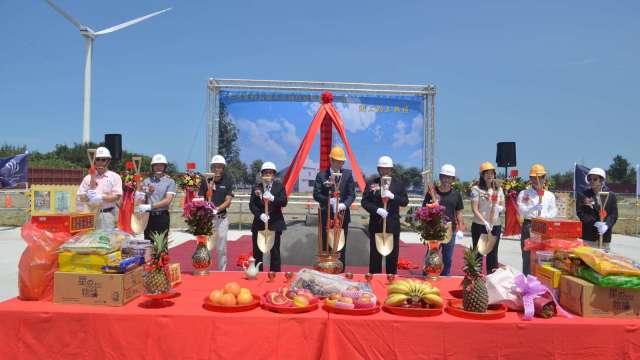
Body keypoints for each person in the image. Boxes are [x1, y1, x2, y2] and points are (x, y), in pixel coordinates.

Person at [361, 155, 408, 274]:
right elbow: (364, 202)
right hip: (376, 225)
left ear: (391, 170)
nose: (385, 171)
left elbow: (404, 202)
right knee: (375, 257)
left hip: (393, 226)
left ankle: (391, 279)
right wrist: (377, 210)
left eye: (387, 169)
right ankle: (375, 279)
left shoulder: (398, 184)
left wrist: (393, 196)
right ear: (378, 169)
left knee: (392, 257)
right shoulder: (372, 183)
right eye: (382, 168)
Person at [312, 146, 356, 269]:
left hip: (342, 217)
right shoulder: (321, 175)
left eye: (341, 161)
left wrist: (344, 204)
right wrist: (329, 201)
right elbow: (316, 194)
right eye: (337, 161)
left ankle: (340, 272)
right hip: (326, 216)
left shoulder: (347, 174)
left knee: (340, 247)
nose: (339, 164)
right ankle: (325, 271)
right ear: (330, 160)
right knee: (326, 245)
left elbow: (352, 194)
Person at [422, 164, 465, 276]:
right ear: (440, 177)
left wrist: (460, 228)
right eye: (444, 177)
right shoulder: (432, 192)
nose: (446, 180)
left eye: (449, 177)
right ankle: (426, 277)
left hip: (450, 230)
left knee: (447, 259)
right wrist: (432, 205)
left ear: (453, 179)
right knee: (431, 256)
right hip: (433, 230)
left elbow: (459, 212)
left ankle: (445, 278)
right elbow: (424, 209)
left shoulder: (456, 194)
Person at [517, 164, 558, 275]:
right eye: (534, 178)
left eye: (539, 178)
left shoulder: (550, 195)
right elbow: (521, 210)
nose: (537, 180)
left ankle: (542, 280)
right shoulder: (524, 193)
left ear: (544, 178)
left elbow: (554, 210)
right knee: (528, 256)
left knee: (543, 255)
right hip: (529, 225)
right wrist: (532, 209)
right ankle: (527, 280)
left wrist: (545, 217)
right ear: (530, 179)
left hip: (545, 227)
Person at [198, 154, 234, 271]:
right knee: (206, 247)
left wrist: (216, 209)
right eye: (214, 167)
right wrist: (205, 207)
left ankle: (221, 271)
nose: (217, 169)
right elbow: (200, 197)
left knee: (221, 248)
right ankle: (205, 269)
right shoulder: (205, 181)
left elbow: (228, 201)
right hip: (207, 219)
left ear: (223, 168)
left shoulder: (228, 180)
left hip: (221, 219)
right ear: (211, 168)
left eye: (219, 167)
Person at [249, 162, 287, 272]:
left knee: (275, 251)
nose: (268, 175)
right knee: (257, 251)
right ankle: (257, 272)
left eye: (270, 173)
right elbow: (252, 205)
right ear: (261, 174)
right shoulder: (256, 187)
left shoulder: (279, 187)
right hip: (259, 224)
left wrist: (272, 198)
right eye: (266, 173)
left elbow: (284, 202)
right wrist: (260, 215)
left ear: (274, 175)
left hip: (275, 223)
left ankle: (274, 274)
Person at [470, 161, 505, 274]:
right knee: (478, 254)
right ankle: (476, 281)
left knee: (493, 254)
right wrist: (484, 221)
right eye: (487, 173)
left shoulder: (498, 189)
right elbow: (475, 209)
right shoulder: (476, 189)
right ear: (482, 175)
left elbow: (503, 206)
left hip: (495, 226)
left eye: (492, 173)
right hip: (480, 226)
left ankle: (492, 280)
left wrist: (500, 208)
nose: (490, 175)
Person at [77, 146, 122, 230]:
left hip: (106, 214)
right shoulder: (88, 177)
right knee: (90, 242)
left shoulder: (115, 177)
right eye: (98, 159)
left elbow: (116, 197)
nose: (100, 162)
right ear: (94, 160)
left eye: (103, 159)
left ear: (108, 161)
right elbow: (81, 197)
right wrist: (88, 196)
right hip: (90, 214)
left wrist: (100, 197)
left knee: (104, 241)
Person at [135, 154, 177, 242]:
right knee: (148, 244)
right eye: (156, 165)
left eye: (161, 165)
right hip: (148, 217)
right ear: (152, 167)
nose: (158, 167)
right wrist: (140, 202)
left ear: (165, 166)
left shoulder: (170, 182)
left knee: (161, 246)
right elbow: (142, 197)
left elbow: (167, 200)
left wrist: (150, 206)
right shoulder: (146, 181)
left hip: (162, 216)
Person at [576, 167, 618, 249]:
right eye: (590, 179)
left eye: (595, 179)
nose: (591, 181)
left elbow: (614, 214)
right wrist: (595, 223)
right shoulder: (583, 195)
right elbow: (580, 213)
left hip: (605, 236)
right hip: (588, 236)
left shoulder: (611, 195)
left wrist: (607, 225)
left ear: (601, 180)